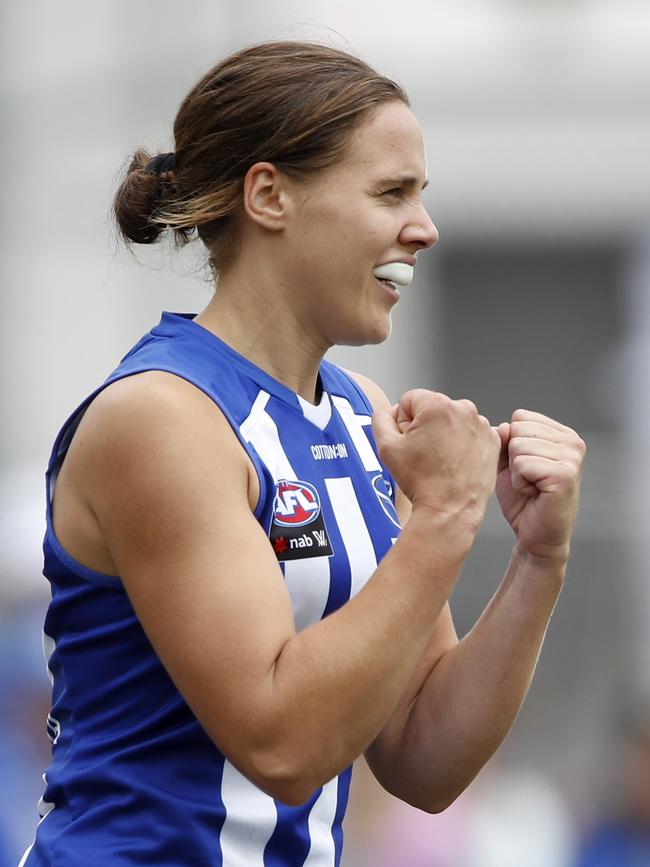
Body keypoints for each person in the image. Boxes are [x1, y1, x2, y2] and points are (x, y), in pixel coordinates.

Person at [20, 40, 585, 867]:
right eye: (392, 192)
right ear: (270, 195)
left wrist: (539, 557)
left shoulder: (359, 413)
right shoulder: (163, 418)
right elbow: (281, 744)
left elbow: (422, 758)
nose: (423, 228)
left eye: (421, 195)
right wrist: (447, 517)